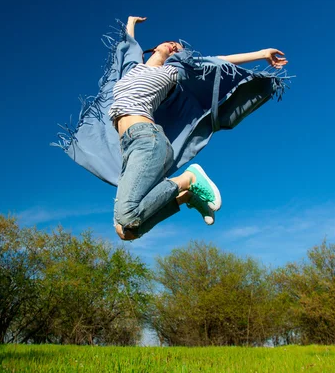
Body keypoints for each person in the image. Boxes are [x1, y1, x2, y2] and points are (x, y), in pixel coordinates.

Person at [112, 16, 288, 240]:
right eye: (171, 43)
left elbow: (219, 61)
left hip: (146, 139)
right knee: (126, 231)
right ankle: (186, 196)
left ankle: (189, 178)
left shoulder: (172, 72)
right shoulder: (131, 70)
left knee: (127, 215)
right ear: (155, 48)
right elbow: (128, 46)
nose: (174, 45)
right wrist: (131, 23)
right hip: (128, 148)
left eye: (178, 47)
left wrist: (262, 53)